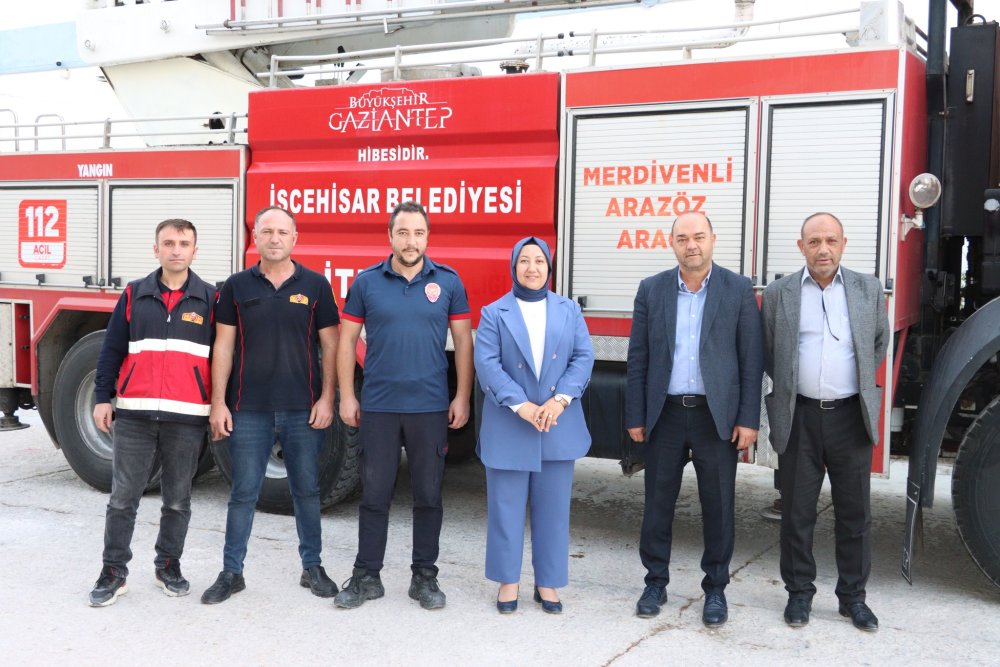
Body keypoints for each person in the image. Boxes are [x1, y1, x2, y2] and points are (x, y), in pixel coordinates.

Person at [625, 211, 763, 626]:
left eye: (699, 236)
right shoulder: (651, 290)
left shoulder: (738, 289)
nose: (691, 245)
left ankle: (715, 589)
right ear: (672, 243)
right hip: (665, 415)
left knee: (718, 507)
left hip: (714, 418)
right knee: (657, 505)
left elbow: (751, 361)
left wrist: (748, 419)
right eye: (683, 238)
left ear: (713, 239)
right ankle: (655, 583)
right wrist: (635, 414)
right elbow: (638, 358)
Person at [334, 200, 473, 611]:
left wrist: (461, 396)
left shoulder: (448, 282)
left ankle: (424, 577)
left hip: (429, 407)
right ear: (390, 236)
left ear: (427, 237)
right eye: (403, 233)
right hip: (378, 407)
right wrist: (347, 394)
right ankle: (366, 576)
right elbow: (347, 341)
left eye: (418, 233)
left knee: (428, 496)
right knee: (375, 495)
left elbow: (464, 343)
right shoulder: (366, 283)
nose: (411, 241)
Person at [200, 206, 340, 604]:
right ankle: (232, 572)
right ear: (255, 238)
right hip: (248, 410)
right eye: (267, 232)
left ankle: (312, 567)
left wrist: (327, 398)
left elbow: (331, 345)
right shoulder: (236, 287)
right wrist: (218, 403)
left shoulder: (316, 285)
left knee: (306, 491)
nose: (274, 238)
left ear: (295, 238)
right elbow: (223, 346)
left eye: (282, 232)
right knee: (243, 492)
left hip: (303, 409)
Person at [761, 212, 888, 632]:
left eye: (831, 240)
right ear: (801, 247)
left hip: (851, 416)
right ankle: (799, 594)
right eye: (814, 242)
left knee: (855, 515)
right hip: (799, 415)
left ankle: (853, 598)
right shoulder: (779, 293)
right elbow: (770, 351)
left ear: (843, 244)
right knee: (797, 513)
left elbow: (878, 343)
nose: (823, 249)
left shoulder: (868, 289)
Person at [88, 218, 216, 606]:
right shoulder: (133, 294)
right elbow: (112, 350)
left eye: (184, 243)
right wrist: (103, 397)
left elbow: (224, 357)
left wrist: (220, 405)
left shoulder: (210, 299)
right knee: (122, 499)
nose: (176, 250)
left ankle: (168, 566)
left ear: (195, 250)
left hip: (187, 417)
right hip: (134, 416)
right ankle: (113, 572)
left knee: (177, 500)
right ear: (156, 249)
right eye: (169, 243)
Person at [475, 237, 595, 614]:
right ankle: (507, 581)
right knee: (505, 509)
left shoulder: (568, 310)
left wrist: (559, 401)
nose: (532, 267)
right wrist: (522, 406)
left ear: (549, 267)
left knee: (553, 511)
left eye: (539, 261)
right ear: (514, 267)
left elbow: (583, 357)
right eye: (524, 261)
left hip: (557, 424)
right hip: (510, 423)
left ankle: (548, 582)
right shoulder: (494, 312)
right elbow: (487, 364)